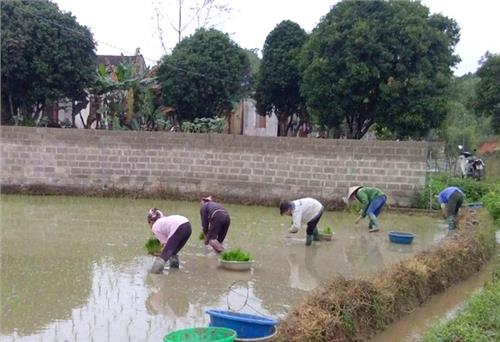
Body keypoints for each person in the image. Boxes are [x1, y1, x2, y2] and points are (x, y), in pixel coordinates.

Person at [147, 208, 192, 274]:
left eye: (149, 223)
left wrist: (156, 252)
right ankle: (174, 272)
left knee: (164, 256)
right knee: (173, 252)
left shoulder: (155, 227)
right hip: (188, 226)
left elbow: (165, 244)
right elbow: (169, 244)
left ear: (151, 221)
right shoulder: (163, 221)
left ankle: (154, 273)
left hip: (179, 227)